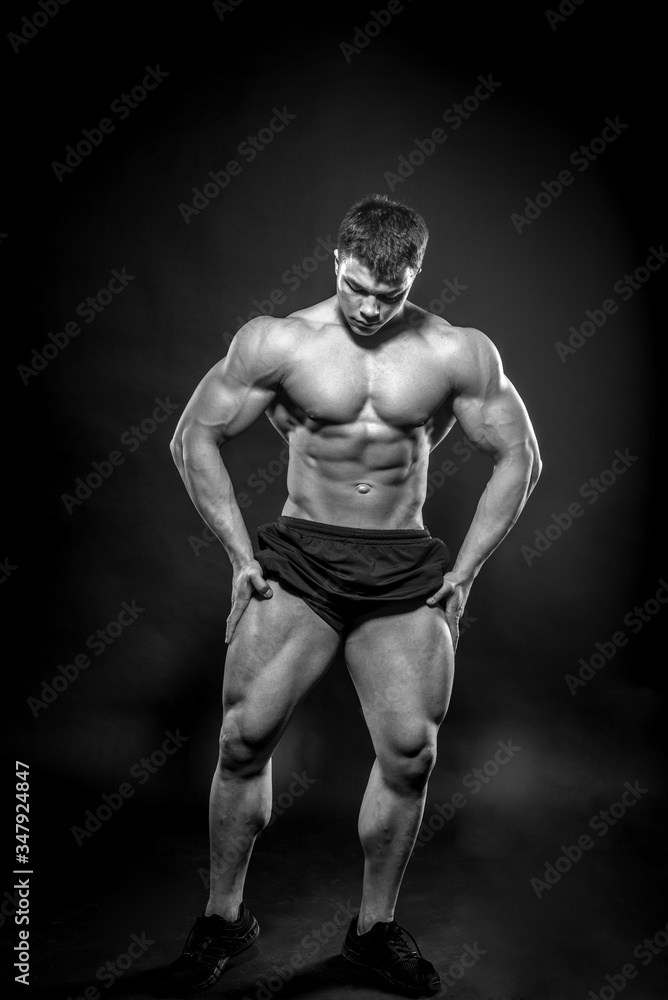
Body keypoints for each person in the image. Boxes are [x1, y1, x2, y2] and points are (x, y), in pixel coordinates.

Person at [162, 194, 541, 996]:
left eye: (391, 294)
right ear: (337, 259)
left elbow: (521, 456)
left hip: (403, 561)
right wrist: (239, 556)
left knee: (411, 755)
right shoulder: (280, 341)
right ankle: (222, 920)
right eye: (360, 287)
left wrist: (465, 569)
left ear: (416, 277)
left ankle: (373, 932)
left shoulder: (455, 353)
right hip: (300, 556)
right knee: (242, 741)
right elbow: (193, 433)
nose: (372, 308)